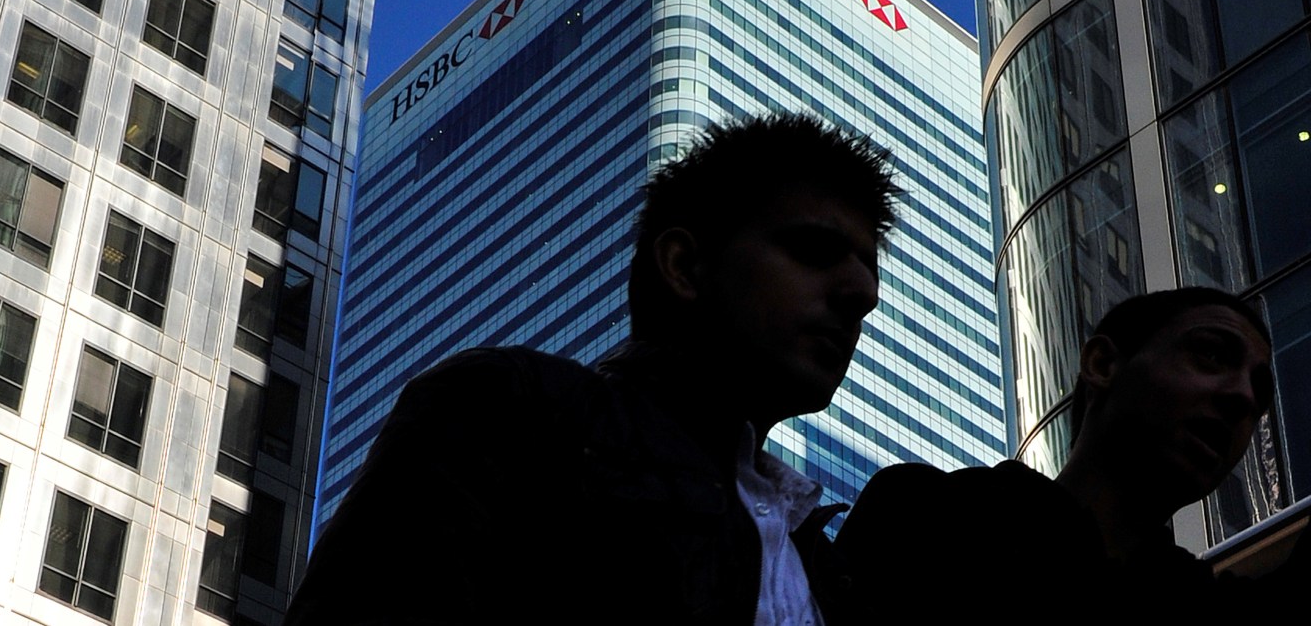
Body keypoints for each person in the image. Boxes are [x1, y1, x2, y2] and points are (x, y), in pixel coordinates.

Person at [285, 113, 902, 624]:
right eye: (814, 251)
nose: (860, 291)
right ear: (685, 267)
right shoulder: (510, 412)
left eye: (867, 268)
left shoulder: (825, 565)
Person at [829, 286, 1304, 615]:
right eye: (1212, 354)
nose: (1243, 397)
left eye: (1259, 394)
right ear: (1102, 363)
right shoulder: (924, 513)